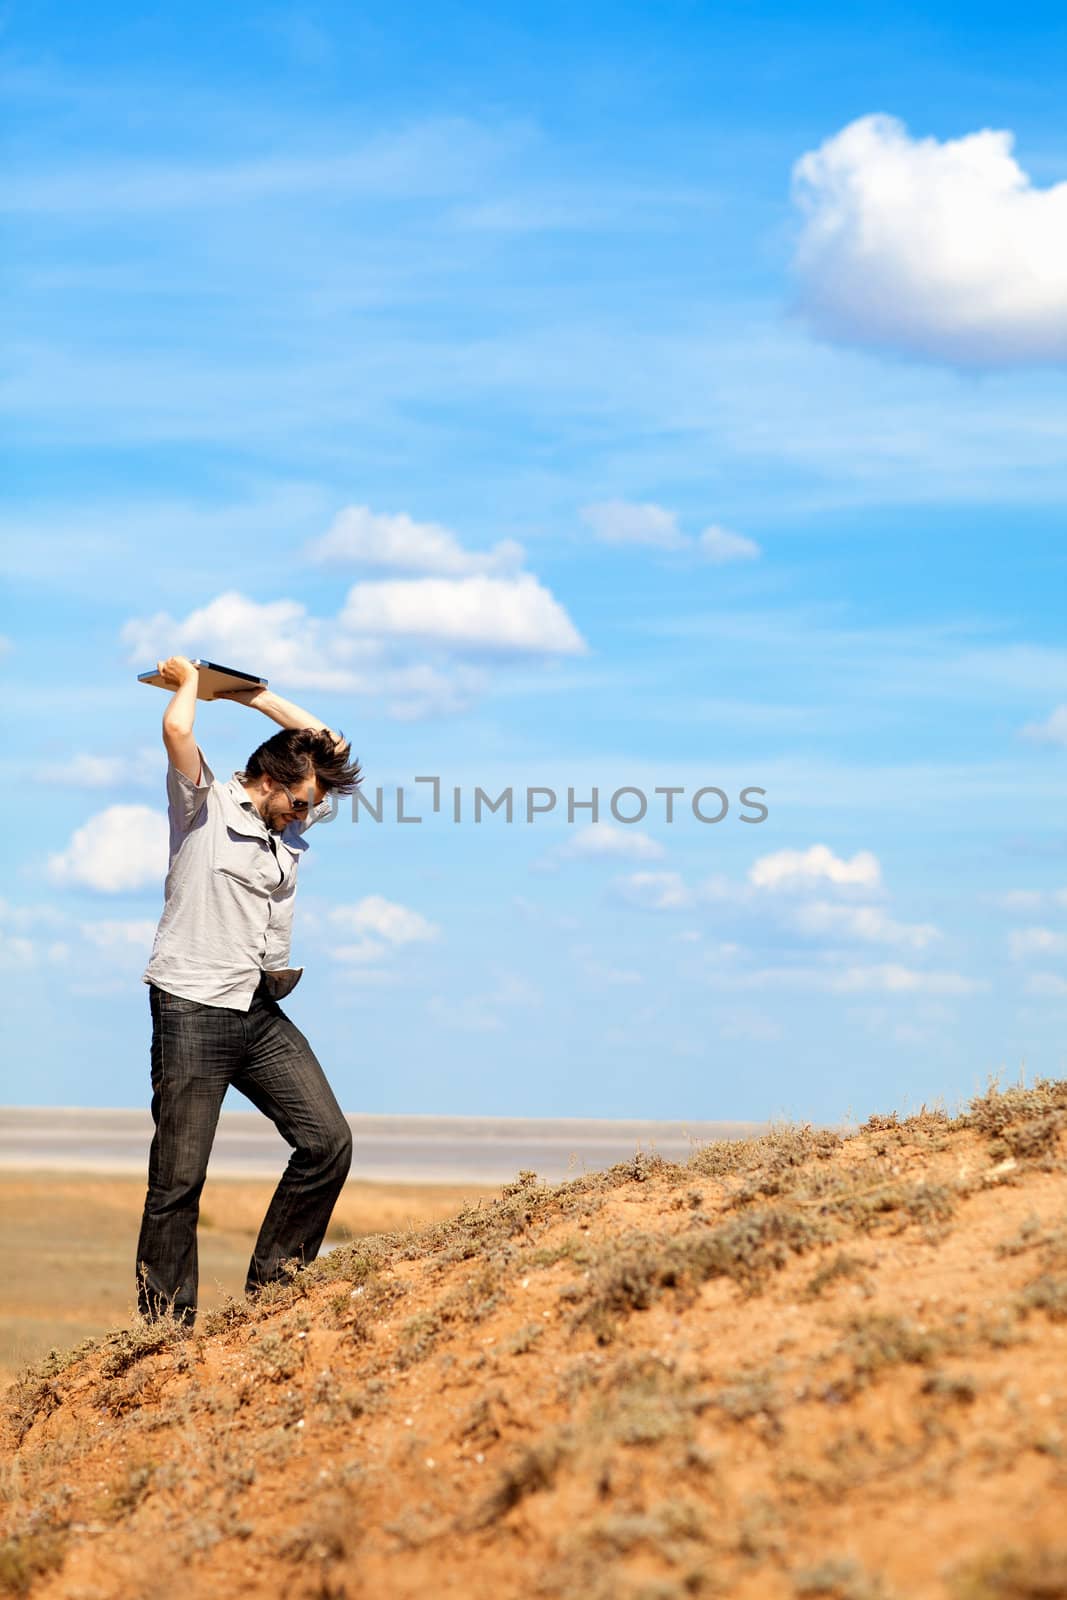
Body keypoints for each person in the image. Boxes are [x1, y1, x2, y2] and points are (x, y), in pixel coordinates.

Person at [136, 653, 362, 1326]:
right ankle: (163, 1334)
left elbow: (334, 744)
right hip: (190, 1008)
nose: (304, 817)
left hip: (256, 1009)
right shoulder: (203, 805)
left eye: (312, 810)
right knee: (178, 1181)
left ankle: (274, 1291)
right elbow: (178, 734)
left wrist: (257, 697)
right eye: (299, 803)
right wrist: (192, 687)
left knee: (327, 1141)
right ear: (267, 781)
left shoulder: (282, 822)